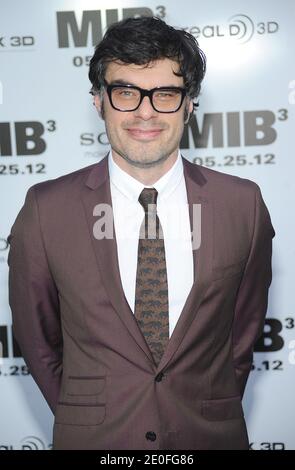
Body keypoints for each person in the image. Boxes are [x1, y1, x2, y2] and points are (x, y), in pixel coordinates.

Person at [7, 16, 275, 450]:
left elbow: (241, 338)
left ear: (190, 104)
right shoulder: (45, 209)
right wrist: (89, 414)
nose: (145, 111)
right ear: (98, 101)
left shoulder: (242, 205)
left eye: (165, 94)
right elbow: (38, 341)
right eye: (125, 92)